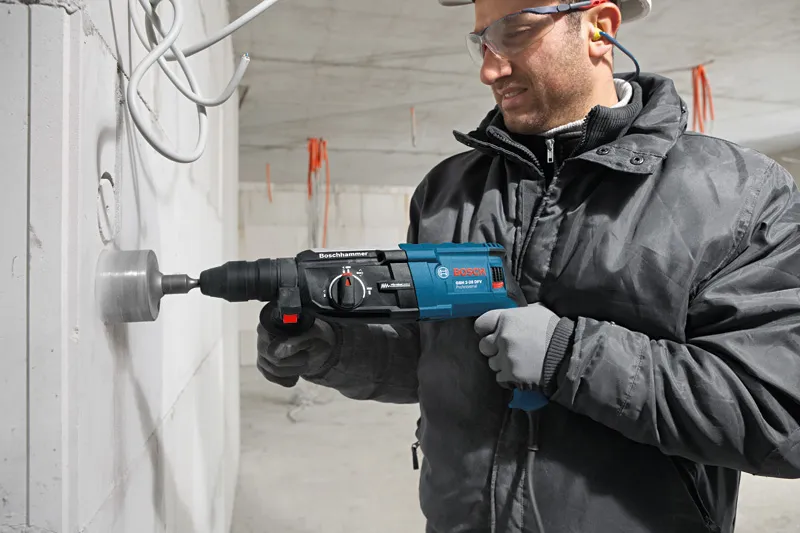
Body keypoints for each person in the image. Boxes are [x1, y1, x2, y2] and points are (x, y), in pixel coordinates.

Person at [256, 0, 800, 531]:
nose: (490, 67)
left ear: (599, 28)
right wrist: (333, 349)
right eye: (482, 42)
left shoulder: (739, 195)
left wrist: (570, 356)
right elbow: (437, 355)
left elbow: (781, 415)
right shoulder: (447, 192)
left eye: (514, 31)